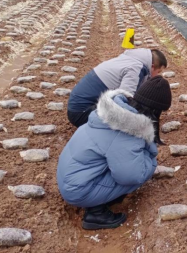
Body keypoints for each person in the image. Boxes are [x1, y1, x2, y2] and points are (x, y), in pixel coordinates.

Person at [57, 76, 172, 230]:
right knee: (143, 170)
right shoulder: (126, 131)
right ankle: (95, 213)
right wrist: (151, 161)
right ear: (155, 111)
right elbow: (132, 175)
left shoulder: (110, 115)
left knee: (125, 163)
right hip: (77, 190)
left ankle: (101, 198)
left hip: (70, 178)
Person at [67, 48, 167, 128]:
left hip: (77, 108)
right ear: (152, 66)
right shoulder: (135, 68)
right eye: (158, 72)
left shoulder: (129, 59)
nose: (157, 76)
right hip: (82, 114)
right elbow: (124, 100)